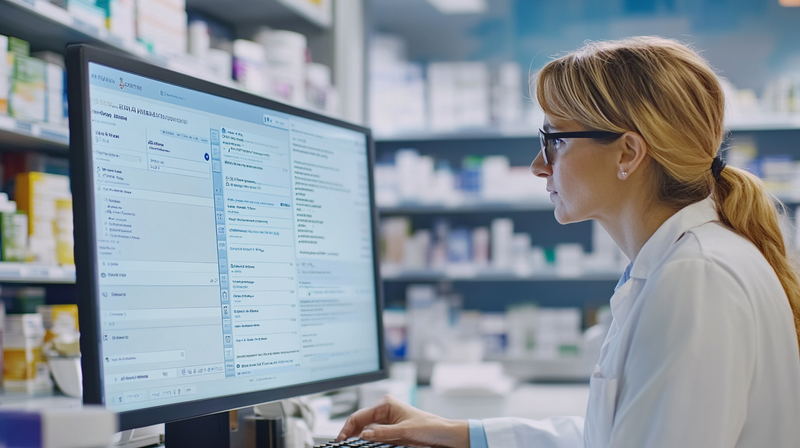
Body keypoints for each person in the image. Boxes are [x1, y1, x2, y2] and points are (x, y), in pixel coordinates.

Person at [337, 36, 800, 447]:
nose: (540, 164)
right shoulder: (684, 262)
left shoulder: (696, 276)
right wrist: (459, 434)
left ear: (628, 152)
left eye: (554, 139)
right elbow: (617, 435)